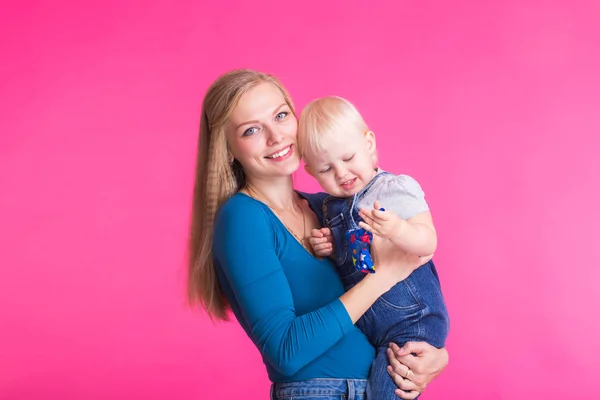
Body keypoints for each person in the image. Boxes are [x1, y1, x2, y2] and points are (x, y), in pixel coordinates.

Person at [187, 69, 449, 400]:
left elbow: (403, 293)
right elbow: (285, 351)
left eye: (281, 116)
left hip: (373, 384)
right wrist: (383, 277)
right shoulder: (243, 218)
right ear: (227, 150)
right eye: (251, 130)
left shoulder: (330, 208)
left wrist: (435, 354)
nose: (276, 136)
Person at [298, 96, 450, 399]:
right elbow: (354, 256)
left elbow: (427, 241)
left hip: (410, 323)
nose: (341, 173)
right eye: (326, 168)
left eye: (348, 157)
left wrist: (398, 229)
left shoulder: (392, 190)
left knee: (385, 391)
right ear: (312, 173)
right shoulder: (331, 208)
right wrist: (330, 245)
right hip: (371, 328)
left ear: (369, 144)